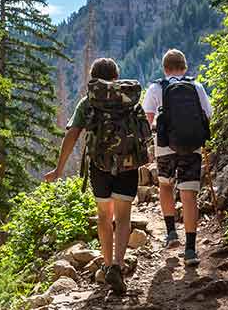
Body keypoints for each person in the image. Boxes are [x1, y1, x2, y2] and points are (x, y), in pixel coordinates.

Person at [45, 58, 150, 294]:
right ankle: (117, 265)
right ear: (116, 76)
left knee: (104, 215)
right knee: (123, 217)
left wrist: (59, 169)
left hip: (99, 167)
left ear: (93, 78)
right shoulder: (130, 98)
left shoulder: (88, 102)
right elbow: (144, 132)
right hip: (128, 165)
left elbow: (72, 135)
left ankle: (106, 260)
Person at [142, 49, 213, 266]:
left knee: (165, 185)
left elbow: (148, 119)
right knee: (189, 194)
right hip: (192, 145)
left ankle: (171, 232)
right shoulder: (196, 86)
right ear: (185, 67)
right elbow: (208, 114)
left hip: (164, 146)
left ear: (165, 69)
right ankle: (191, 250)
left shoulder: (156, 87)